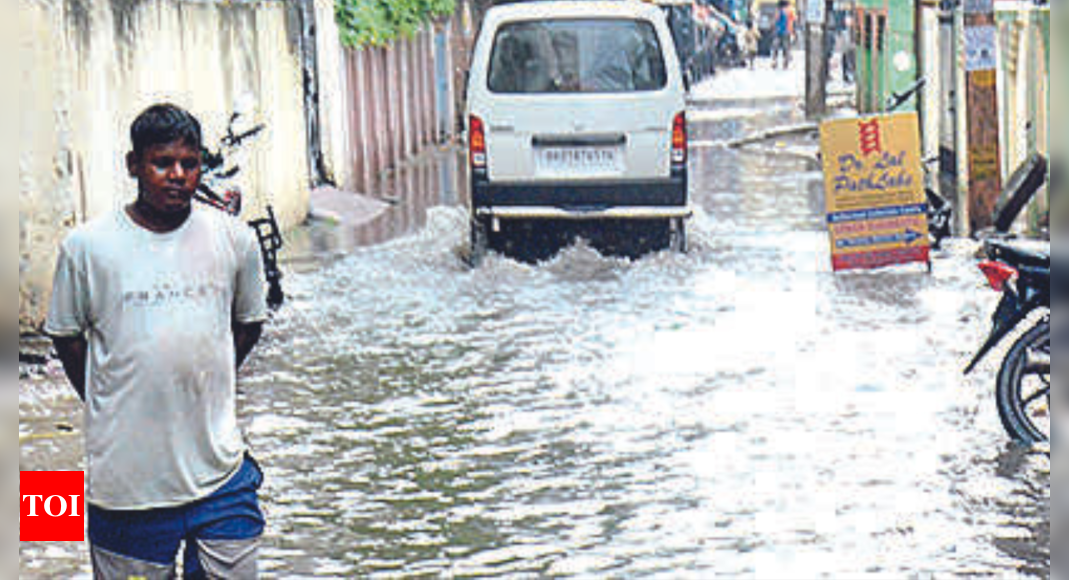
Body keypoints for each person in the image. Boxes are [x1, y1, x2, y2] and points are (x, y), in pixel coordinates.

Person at [45, 103, 269, 579]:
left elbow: (248, 323)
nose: (177, 175)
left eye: (188, 165)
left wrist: (205, 379)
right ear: (134, 166)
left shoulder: (235, 240)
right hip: (126, 487)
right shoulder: (86, 247)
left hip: (222, 474)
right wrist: (109, 397)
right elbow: (66, 337)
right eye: (162, 163)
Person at [771, 0, 794, 69]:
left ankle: (775, 62)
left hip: (779, 31)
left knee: (776, 47)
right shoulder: (790, 11)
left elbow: (776, 20)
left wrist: (773, 26)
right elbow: (793, 20)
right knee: (786, 47)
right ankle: (785, 62)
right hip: (787, 31)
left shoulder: (780, 11)